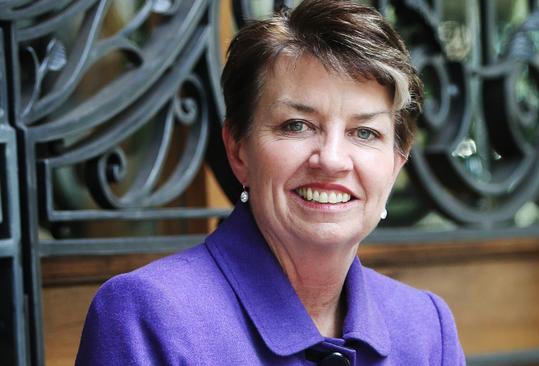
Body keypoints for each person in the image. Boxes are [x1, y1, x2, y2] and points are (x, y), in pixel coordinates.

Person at [75, 0, 465, 365]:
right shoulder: (147, 316)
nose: (330, 159)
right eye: (297, 125)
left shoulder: (428, 327)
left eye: (364, 133)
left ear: (397, 162)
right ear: (238, 149)